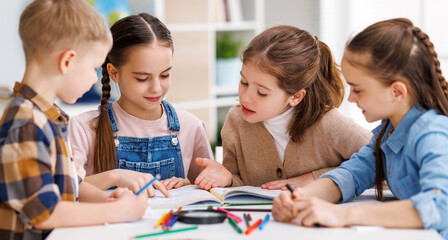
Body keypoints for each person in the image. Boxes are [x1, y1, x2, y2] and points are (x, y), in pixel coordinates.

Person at [272, 18, 448, 239]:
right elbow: (351, 174)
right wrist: (300, 198)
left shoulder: (433, 134)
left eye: (358, 89)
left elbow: (441, 206)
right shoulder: (388, 133)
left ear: (397, 92)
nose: (350, 98)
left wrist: (342, 215)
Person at [0, 1, 150, 239]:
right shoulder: (26, 124)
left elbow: (71, 184)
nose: (95, 79)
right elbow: (44, 213)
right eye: (94, 67)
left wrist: (106, 199)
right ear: (67, 61)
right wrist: (116, 212)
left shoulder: (47, 116)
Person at [194, 25, 371, 190]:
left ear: (295, 97)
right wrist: (228, 179)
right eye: (244, 82)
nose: (245, 97)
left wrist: (317, 177)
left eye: (262, 92)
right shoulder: (236, 121)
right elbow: (241, 187)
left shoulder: (329, 124)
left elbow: (387, 166)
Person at [68, 13, 214, 194]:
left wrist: (190, 187)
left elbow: (210, 193)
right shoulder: (84, 128)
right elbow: (66, 191)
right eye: (142, 78)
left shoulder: (191, 126)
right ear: (114, 73)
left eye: (165, 75)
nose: (156, 88)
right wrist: (113, 176)